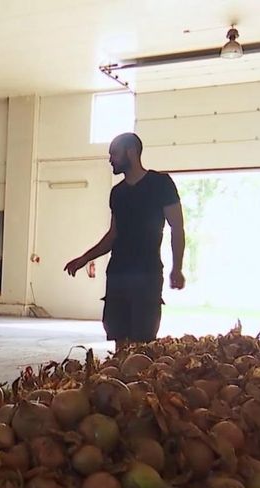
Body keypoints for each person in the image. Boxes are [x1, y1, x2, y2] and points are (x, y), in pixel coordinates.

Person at [64, 132, 186, 351]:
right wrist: (84, 258)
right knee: (118, 336)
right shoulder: (117, 193)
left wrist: (177, 268)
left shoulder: (161, 183)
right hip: (118, 274)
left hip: (147, 275)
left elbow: (177, 227)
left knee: (143, 340)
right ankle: (120, 377)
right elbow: (113, 235)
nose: (110, 159)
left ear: (131, 152)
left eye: (114, 153)